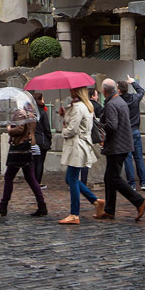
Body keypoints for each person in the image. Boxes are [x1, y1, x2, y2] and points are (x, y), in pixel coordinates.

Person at [97, 78, 145, 221]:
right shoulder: (119, 101)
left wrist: (99, 125)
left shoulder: (112, 104)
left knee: (114, 178)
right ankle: (109, 210)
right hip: (122, 144)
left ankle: (139, 201)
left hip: (117, 146)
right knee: (109, 178)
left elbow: (112, 126)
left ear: (104, 91)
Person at [0, 108, 47, 217]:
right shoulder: (31, 115)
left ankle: (3, 206)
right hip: (27, 147)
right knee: (30, 178)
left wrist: (10, 129)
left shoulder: (21, 114)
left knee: (9, 177)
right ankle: (42, 205)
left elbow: (20, 129)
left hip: (19, 148)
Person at [57, 86, 99, 224]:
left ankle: (74, 214)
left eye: (72, 90)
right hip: (80, 144)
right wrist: (64, 115)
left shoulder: (78, 107)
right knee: (70, 178)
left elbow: (72, 129)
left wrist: (63, 130)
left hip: (77, 146)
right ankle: (95, 200)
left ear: (77, 92)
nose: (70, 91)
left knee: (73, 179)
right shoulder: (86, 106)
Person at [119, 76, 145, 192]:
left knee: (128, 159)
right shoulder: (135, 98)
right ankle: (144, 183)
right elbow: (141, 91)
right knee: (139, 158)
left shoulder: (119, 101)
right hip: (136, 130)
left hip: (125, 131)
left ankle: (131, 184)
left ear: (119, 90)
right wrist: (133, 82)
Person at [81, 87, 103, 187]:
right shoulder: (96, 107)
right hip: (89, 138)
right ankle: (83, 185)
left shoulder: (82, 106)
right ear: (93, 96)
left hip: (82, 139)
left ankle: (82, 185)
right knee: (87, 162)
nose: (97, 97)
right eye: (96, 95)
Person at [31, 91, 52, 189]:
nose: (44, 101)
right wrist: (49, 137)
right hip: (42, 140)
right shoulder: (42, 112)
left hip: (33, 140)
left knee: (34, 162)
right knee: (40, 162)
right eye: (42, 99)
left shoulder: (31, 112)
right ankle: (38, 182)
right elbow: (47, 127)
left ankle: (34, 181)